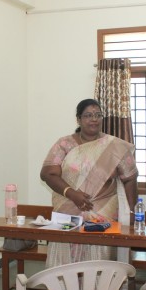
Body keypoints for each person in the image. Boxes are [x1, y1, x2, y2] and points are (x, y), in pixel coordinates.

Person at [40, 99, 138, 268]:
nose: (94, 119)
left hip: (103, 214)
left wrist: (133, 213)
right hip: (69, 212)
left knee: (100, 266)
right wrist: (72, 194)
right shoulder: (65, 144)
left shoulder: (114, 146)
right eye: (88, 115)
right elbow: (47, 173)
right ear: (78, 119)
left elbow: (130, 178)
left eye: (98, 115)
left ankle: (100, 287)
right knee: (66, 265)